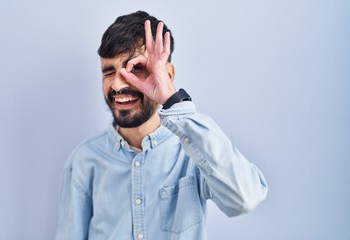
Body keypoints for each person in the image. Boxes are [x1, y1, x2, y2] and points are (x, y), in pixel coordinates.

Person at [55, 10, 268, 240]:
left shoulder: (194, 153)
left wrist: (170, 99)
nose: (117, 84)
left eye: (135, 68)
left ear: (167, 74)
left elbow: (245, 198)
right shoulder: (84, 161)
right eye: (109, 72)